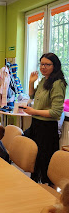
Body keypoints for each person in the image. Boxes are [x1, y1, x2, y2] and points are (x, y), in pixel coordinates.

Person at [23, 53, 67, 184]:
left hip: (47, 128)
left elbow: (56, 112)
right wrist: (31, 82)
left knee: (45, 162)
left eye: (47, 64)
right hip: (37, 124)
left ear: (55, 66)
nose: (43, 67)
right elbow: (32, 94)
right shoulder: (44, 80)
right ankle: (35, 186)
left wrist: (33, 111)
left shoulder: (58, 83)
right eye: (41, 64)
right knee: (35, 160)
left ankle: (47, 191)